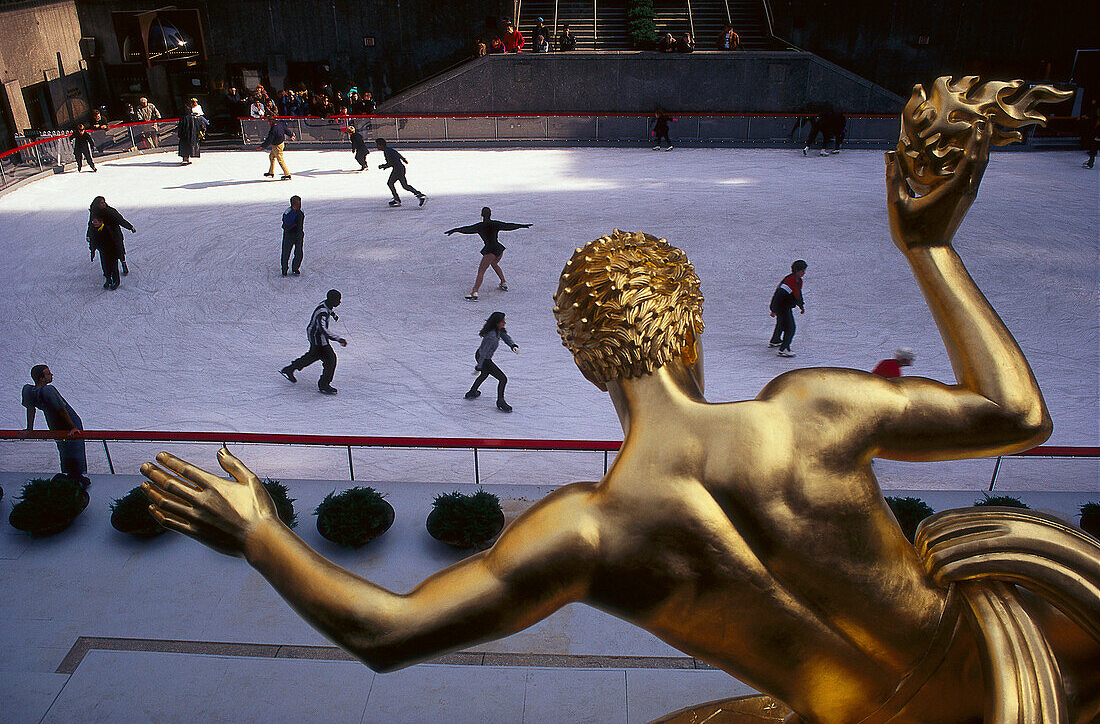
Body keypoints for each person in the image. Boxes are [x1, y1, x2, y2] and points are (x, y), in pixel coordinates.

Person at [140, 122, 1099, 724]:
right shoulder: (815, 408)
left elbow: (385, 632)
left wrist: (260, 534)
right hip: (1028, 680)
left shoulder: (587, 533)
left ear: (583, 358)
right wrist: (929, 247)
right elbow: (1018, 411)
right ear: (692, 321)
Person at [20, 365, 88, 487]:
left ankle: (76, 476)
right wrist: (73, 427)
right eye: (48, 374)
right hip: (65, 422)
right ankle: (74, 477)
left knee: (71, 450)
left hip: (59, 423)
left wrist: (30, 428)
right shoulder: (47, 390)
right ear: (41, 378)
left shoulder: (29, 391)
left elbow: (31, 409)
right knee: (68, 449)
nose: (51, 375)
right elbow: (62, 410)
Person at [445, 206, 531, 301]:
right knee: (494, 264)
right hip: (499, 249)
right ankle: (503, 282)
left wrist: (455, 230)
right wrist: (521, 225)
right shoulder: (495, 224)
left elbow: (466, 229)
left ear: (482, 215)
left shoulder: (479, 226)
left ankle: (474, 292)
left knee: (481, 271)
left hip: (490, 251)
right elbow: (508, 226)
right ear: (491, 214)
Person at [280, 289, 347, 395]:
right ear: (332, 299)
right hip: (318, 338)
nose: (339, 302)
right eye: (338, 300)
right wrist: (338, 339)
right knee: (331, 359)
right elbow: (323, 329)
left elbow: (328, 310)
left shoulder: (326, 305)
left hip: (314, 335)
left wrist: (333, 315)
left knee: (313, 356)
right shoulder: (323, 313)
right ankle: (324, 385)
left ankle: (290, 369)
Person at [465, 311, 519, 413]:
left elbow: (505, 336)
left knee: (485, 374)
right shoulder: (491, 337)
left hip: (483, 356)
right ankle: (500, 401)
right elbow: (484, 352)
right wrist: (479, 366)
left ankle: (472, 392)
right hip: (483, 358)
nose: (504, 323)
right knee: (502, 379)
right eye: (502, 321)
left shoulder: (498, 330)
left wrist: (512, 345)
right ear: (497, 323)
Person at [89, 196, 135, 277]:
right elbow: (91, 224)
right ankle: (107, 272)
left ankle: (123, 263)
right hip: (102, 237)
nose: (103, 204)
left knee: (119, 250)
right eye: (101, 203)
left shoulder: (110, 211)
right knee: (104, 254)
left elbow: (120, 220)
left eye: (104, 202)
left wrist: (130, 227)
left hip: (114, 235)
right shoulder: (94, 213)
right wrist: (89, 235)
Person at [769, 259, 806, 357]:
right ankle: (784, 348)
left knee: (781, 324)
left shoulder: (798, 281)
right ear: (797, 271)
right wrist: (773, 309)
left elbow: (797, 294)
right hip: (782, 307)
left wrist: (801, 305)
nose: (804, 273)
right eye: (802, 271)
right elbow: (778, 295)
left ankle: (775, 340)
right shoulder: (789, 281)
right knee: (790, 327)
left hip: (786, 306)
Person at [375, 138, 426, 207]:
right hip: (400, 168)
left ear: (381, 145)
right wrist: (403, 159)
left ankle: (397, 199)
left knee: (390, 183)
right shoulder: (389, 149)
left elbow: (391, 163)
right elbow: (397, 154)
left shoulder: (387, 151)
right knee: (405, 185)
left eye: (377, 145)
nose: (376, 146)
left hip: (397, 169)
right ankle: (420, 195)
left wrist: (383, 166)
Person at [87, 215, 121, 289]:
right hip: (103, 251)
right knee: (105, 266)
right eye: (93, 222)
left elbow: (115, 241)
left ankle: (116, 281)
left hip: (112, 251)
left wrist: (118, 252)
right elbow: (93, 241)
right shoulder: (94, 230)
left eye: (95, 222)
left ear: (101, 222)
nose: (94, 223)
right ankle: (108, 279)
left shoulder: (107, 230)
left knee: (113, 266)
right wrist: (92, 251)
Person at [258, 115, 293, 180]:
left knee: (280, 160)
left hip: (277, 146)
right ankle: (271, 172)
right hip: (279, 144)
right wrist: (291, 135)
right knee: (271, 157)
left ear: (270, 122)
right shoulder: (279, 123)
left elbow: (269, 140)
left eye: (268, 121)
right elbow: (286, 130)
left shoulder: (273, 129)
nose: (267, 123)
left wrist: (262, 146)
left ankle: (287, 174)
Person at [280, 196, 305, 276]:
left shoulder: (301, 211)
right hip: (289, 235)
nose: (299, 205)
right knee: (286, 253)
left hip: (299, 235)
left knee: (299, 253)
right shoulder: (288, 212)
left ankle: (295, 268)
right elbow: (286, 223)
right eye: (297, 203)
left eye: (300, 203)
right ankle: (284, 269)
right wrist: (293, 213)